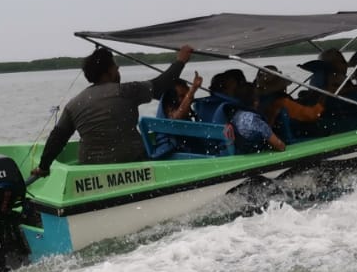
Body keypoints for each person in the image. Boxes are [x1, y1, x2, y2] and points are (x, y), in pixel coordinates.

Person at [31, 44, 195, 177]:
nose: (118, 70)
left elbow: (57, 138)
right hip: (133, 169)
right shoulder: (127, 91)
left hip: (89, 174)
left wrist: (43, 167)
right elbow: (161, 84)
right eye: (116, 67)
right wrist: (181, 61)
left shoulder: (73, 104)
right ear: (108, 71)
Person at [194, 70, 284, 152]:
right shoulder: (253, 120)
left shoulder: (205, 106)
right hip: (243, 153)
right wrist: (272, 116)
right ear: (256, 102)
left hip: (213, 149)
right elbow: (280, 146)